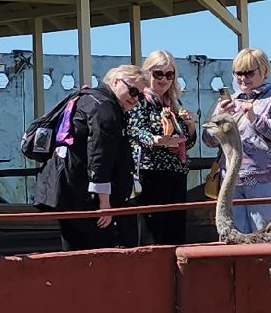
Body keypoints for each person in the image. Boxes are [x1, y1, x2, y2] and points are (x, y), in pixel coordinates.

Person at [35, 64, 142, 250]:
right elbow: (100, 155)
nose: (135, 99)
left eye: (140, 95)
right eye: (132, 91)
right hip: (84, 195)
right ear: (116, 82)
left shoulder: (87, 98)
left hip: (67, 189)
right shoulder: (105, 108)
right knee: (103, 249)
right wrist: (104, 203)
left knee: (75, 249)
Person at [203, 48, 271, 234]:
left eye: (249, 73)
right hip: (233, 181)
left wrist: (254, 117)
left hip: (266, 181)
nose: (243, 78)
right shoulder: (229, 102)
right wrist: (220, 116)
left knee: (265, 236)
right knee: (234, 237)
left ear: (263, 71)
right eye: (239, 73)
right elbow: (209, 141)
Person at [132, 50, 198, 245]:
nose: (164, 80)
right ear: (148, 73)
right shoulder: (140, 100)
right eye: (158, 74)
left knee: (175, 232)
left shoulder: (174, 103)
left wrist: (191, 126)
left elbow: (188, 142)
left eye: (169, 75)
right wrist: (156, 140)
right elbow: (133, 131)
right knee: (151, 234)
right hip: (150, 173)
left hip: (175, 173)